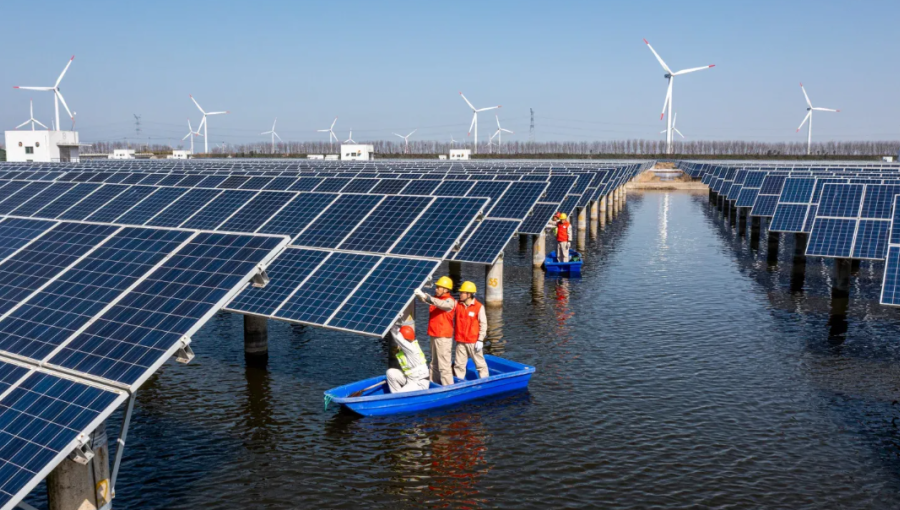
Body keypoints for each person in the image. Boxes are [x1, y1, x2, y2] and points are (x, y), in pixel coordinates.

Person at [414, 276, 456, 386]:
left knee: (444, 365)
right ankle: (433, 384)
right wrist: (420, 296)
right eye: (436, 287)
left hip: (443, 337)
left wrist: (426, 296)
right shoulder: (436, 299)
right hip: (434, 334)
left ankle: (448, 387)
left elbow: (441, 304)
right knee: (434, 363)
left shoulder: (450, 301)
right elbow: (428, 301)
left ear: (446, 289)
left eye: (439, 287)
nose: (436, 289)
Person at [453, 281, 489, 380]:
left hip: (473, 342)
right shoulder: (458, 305)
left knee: (480, 364)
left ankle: (485, 382)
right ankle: (459, 383)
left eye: (462, 292)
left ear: (469, 294)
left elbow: (483, 324)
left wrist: (480, 340)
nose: (460, 294)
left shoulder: (479, 307)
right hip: (460, 341)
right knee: (459, 365)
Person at [386, 325, 430, 393]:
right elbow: (400, 337)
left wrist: (391, 328)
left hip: (419, 383)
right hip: (410, 378)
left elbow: (399, 339)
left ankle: (398, 397)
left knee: (399, 395)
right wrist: (393, 326)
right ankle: (396, 395)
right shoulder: (409, 346)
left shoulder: (411, 349)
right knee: (390, 373)